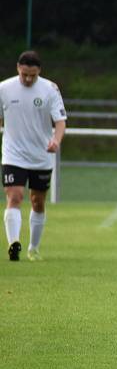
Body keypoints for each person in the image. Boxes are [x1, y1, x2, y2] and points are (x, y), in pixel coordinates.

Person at [1, 50, 67, 261]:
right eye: (24, 75)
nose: (28, 79)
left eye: (33, 75)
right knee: (15, 196)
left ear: (39, 72)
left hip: (41, 156)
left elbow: (60, 121)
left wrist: (56, 140)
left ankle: (33, 248)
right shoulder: (4, 88)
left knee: (37, 201)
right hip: (13, 154)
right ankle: (14, 244)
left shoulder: (49, 89)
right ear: (18, 69)